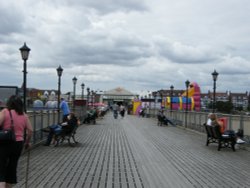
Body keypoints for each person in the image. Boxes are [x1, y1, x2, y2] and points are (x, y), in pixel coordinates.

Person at [0, 95, 33, 188]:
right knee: (12, 168)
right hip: (18, 144)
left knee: (1, 170)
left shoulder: (5, 112)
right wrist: (27, 143)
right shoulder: (24, 115)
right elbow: (30, 131)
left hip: (4, 143)